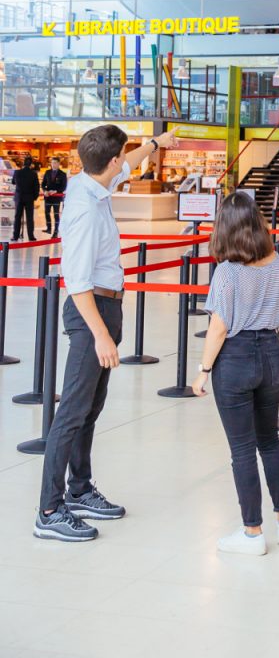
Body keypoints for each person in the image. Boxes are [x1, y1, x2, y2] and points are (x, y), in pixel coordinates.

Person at [34, 123, 178, 542]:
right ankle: (49, 508)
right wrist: (99, 335)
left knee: (90, 409)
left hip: (106, 305)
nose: (126, 162)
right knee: (71, 413)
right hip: (90, 312)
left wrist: (155, 144)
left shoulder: (93, 180)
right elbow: (75, 282)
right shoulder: (82, 210)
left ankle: (79, 489)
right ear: (110, 162)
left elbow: (130, 162)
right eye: (123, 157)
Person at [192, 192, 279, 556]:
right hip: (270, 353)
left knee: (241, 450)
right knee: (269, 440)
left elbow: (218, 327)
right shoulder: (278, 264)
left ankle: (252, 532)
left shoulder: (227, 271)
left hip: (234, 360)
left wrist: (203, 370)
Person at [12, 155, 39, 241]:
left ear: (23, 163)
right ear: (31, 164)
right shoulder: (34, 174)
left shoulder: (17, 172)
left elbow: (13, 182)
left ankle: (15, 236)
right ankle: (31, 236)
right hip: (29, 197)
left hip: (19, 197)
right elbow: (36, 187)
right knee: (29, 218)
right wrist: (34, 197)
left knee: (17, 217)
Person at [41, 156, 67, 235]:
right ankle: (49, 228)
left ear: (59, 164)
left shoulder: (62, 174)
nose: (53, 164)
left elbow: (64, 186)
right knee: (47, 213)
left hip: (57, 197)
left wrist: (56, 191)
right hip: (48, 197)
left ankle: (55, 231)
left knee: (56, 214)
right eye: (52, 163)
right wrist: (45, 190)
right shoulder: (47, 172)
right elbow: (43, 184)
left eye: (55, 163)